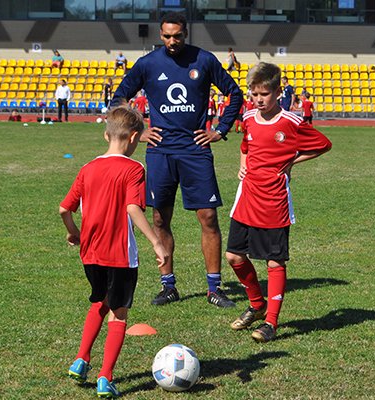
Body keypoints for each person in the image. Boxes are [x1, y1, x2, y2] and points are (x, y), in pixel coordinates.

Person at [111, 12, 243, 308]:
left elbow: (235, 94)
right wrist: (139, 130)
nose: (172, 41)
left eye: (178, 36)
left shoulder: (204, 60)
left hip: (195, 151)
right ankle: (168, 285)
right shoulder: (147, 64)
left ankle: (214, 288)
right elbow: (119, 98)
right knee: (159, 217)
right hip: (160, 152)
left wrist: (220, 130)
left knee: (208, 217)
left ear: (186, 33)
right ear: (161, 35)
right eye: (167, 36)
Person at [60, 106, 169, 398]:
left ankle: (81, 359)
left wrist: (74, 233)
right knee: (118, 314)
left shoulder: (87, 168)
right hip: (120, 255)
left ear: (106, 134)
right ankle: (105, 378)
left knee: (100, 300)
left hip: (90, 254)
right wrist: (156, 242)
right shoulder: (134, 169)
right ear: (134, 138)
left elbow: (63, 208)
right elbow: (133, 208)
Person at [226, 62, 332, 343]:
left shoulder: (291, 123)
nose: (259, 100)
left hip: (274, 199)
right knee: (234, 256)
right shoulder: (248, 117)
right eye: (254, 94)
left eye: (264, 94)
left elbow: (323, 144)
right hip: (247, 195)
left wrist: (291, 162)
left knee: (274, 261)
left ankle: (271, 322)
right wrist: (242, 165)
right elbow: (245, 146)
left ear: (277, 92)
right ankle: (257, 304)